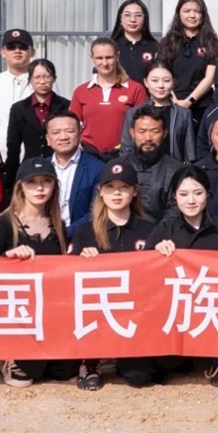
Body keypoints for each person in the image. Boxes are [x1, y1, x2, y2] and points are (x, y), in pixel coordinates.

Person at [69, 159, 160, 390]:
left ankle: (122, 358)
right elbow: (67, 279)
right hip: (97, 312)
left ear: (135, 191)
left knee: (140, 377)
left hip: (134, 315)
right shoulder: (86, 232)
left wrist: (165, 251)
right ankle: (90, 362)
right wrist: (81, 261)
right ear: (100, 191)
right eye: (110, 187)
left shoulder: (149, 230)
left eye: (124, 187)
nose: (117, 193)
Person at [0, 155, 69, 387]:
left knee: (65, 372)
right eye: (32, 182)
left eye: (46, 181)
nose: (40, 188)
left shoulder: (58, 224)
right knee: (26, 377)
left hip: (48, 311)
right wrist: (7, 258)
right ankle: (9, 357)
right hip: (15, 310)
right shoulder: (2, 223)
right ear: (20, 186)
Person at [152, 165, 218, 387]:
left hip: (212, 305)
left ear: (208, 194)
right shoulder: (164, 230)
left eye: (197, 193)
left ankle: (217, 361)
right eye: (183, 194)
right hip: (176, 307)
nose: (191, 200)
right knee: (167, 362)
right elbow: (145, 271)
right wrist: (157, 252)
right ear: (174, 197)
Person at [71, 37, 148, 156]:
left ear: (117, 56)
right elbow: (72, 124)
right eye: (99, 58)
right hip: (89, 154)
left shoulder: (135, 89)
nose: (105, 63)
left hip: (124, 154)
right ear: (91, 58)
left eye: (109, 57)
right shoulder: (81, 91)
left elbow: (142, 124)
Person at [0, 57, 66, 190]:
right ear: (30, 80)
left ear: (54, 79)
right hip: (29, 168)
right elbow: (13, 146)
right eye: (37, 77)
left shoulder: (66, 106)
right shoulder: (19, 109)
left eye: (47, 77)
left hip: (59, 167)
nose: (42, 81)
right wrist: (10, 180)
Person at [158, 0, 218, 118]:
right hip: (171, 103)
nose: (192, 15)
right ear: (179, 13)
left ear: (203, 14)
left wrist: (189, 101)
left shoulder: (212, 42)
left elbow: (210, 77)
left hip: (203, 105)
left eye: (197, 11)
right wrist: (174, 100)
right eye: (187, 11)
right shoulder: (168, 42)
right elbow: (162, 74)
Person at [38, 108, 100, 231]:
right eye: (56, 132)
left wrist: (66, 233)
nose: (63, 137)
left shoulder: (97, 168)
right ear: (48, 139)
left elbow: (96, 212)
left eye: (69, 131)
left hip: (81, 236)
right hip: (42, 235)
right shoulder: (39, 169)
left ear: (80, 135)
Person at [117, 106, 182, 220]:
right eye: (142, 131)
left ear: (164, 133)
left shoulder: (177, 171)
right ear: (132, 133)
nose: (148, 138)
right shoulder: (118, 167)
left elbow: (175, 211)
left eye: (155, 131)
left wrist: (157, 231)